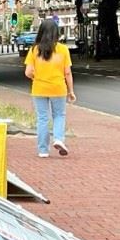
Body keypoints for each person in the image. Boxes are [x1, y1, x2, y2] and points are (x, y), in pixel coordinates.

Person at [24, 18, 76, 158]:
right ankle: (58, 139)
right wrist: (71, 91)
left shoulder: (34, 50)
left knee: (42, 118)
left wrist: (37, 77)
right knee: (59, 115)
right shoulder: (63, 49)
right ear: (56, 32)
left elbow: (28, 72)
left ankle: (43, 150)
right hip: (58, 88)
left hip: (39, 88)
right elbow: (67, 73)